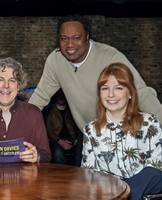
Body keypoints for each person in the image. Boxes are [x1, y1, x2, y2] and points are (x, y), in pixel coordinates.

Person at [28, 14, 162, 132]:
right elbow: (40, 96)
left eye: (76, 38)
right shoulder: (55, 60)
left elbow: (141, 92)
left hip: (121, 131)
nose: (70, 44)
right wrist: (19, 124)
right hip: (89, 132)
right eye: (64, 39)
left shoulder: (110, 57)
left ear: (87, 37)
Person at [81, 63, 162, 199]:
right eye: (105, 88)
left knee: (152, 173)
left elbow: (156, 165)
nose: (111, 94)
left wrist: (125, 188)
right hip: (108, 189)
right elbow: (89, 172)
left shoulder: (149, 122)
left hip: (147, 184)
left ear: (130, 93)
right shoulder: (91, 130)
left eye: (118, 88)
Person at [45, 89, 82, 166]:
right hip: (56, 140)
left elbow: (79, 125)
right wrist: (59, 140)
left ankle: (76, 175)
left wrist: (78, 138)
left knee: (81, 153)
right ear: (55, 97)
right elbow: (49, 130)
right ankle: (64, 175)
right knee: (58, 154)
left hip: (72, 139)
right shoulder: (49, 112)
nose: (61, 97)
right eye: (58, 95)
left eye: (63, 95)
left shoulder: (72, 111)